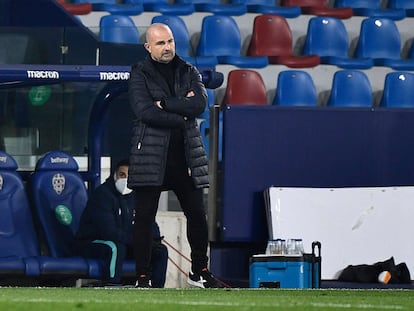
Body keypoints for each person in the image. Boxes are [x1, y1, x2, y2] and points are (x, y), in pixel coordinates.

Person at [128, 23, 222, 288]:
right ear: (148, 47)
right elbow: (144, 112)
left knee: (196, 214)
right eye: (160, 43)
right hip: (150, 155)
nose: (167, 47)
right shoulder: (139, 73)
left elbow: (199, 105)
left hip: (185, 156)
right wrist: (182, 114)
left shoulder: (188, 70)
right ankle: (143, 277)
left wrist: (166, 104)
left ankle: (199, 272)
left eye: (169, 41)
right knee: (145, 217)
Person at [75, 159, 168, 287]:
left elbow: (149, 223)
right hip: (93, 242)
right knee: (115, 247)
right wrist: (138, 242)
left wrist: (153, 240)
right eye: (122, 175)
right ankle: (112, 283)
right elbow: (108, 232)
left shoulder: (137, 197)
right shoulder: (102, 195)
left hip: (126, 242)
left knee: (160, 250)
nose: (125, 179)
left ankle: (157, 288)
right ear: (115, 175)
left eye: (129, 176)